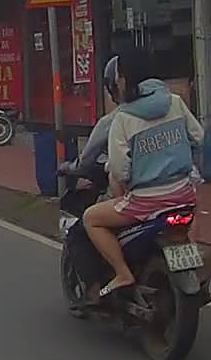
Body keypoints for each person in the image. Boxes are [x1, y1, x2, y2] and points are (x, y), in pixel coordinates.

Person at [82, 48, 204, 299]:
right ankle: (191, 261)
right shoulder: (175, 102)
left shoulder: (123, 118)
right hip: (184, 195)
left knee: (90, 218)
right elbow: (198, 137)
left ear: (124, 79)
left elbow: (119, 170)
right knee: (189, 216)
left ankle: (122, 273)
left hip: (145, 202)